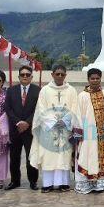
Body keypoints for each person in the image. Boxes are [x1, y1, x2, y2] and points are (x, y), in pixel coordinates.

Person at [30, 64, 79, 192]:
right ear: (52, 75)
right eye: (57, 74)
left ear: (65, 75)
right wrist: (53, 121)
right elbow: (41, 109)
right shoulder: (45, 90)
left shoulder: (71, 90)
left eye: (62, 74)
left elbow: (75, 108)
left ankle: (63, 183)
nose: (60, 76)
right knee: (48, 156)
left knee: (64, 157)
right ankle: (48, 184)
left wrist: (65, 121)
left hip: (65, 129)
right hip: (49, 130)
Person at [73, 68, 104, 194]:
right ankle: (85, 185)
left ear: (100, 79)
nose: (95, 80)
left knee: (100, 158)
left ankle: (99, 185)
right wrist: (80, 133)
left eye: (97, 78)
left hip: (103, 135)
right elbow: (77, 115)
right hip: (88, 135)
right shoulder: (82, 95)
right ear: (88, 79)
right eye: (92, 78)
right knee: (87, 156)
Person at [4, 65, 41, 190]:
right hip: (15, 129)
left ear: (31, 77)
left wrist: (27, 123)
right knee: (14, 157)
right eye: (22, 74)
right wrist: (18, 122)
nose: (25, 76)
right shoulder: (11, 90)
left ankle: (33, 181)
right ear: (19, 76)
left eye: (27, 74)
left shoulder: (38, 90)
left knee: (31, 157)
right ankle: (15, 181)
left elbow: (39, 110)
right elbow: (8, 109)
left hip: (30, 130)